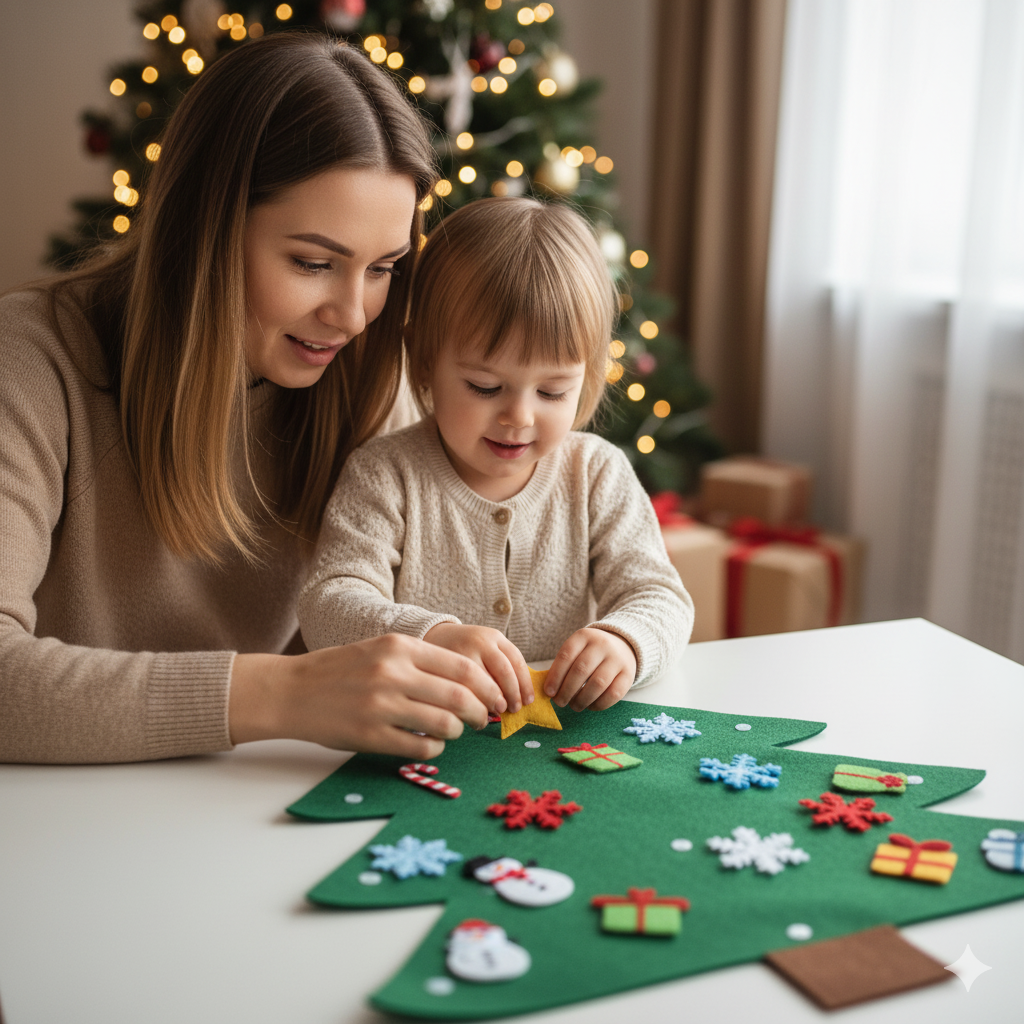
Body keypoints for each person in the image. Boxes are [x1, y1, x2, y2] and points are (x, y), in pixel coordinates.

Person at [0, 33, 510, 765]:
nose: (354, 316)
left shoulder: (366, 377)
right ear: (202, 232)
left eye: (383, 268)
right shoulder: (28, 362)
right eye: (313, 262)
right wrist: (286, 694)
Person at [299, 197, 694, 716]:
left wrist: (624, 641)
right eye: (485, 386)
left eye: (552, 392)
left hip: (562, 738)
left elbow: (659, 596)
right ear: (424, 361)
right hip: (424, 734)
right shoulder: (385, 474)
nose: (518, 417)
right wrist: (430, 637)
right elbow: (328, 605)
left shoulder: (596, 473)